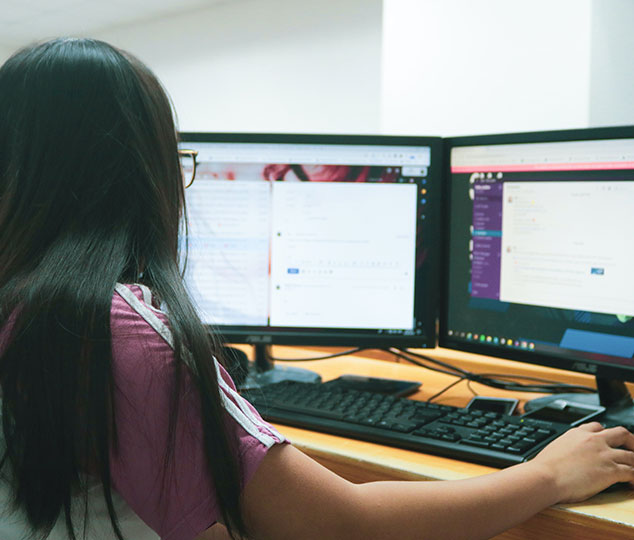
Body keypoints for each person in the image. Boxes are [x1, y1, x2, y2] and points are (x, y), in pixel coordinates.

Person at [0, 38, 633, 540]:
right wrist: (547, 474)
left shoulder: (28, 305)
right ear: (142, 174)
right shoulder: (114, 334)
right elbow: (341, 526)